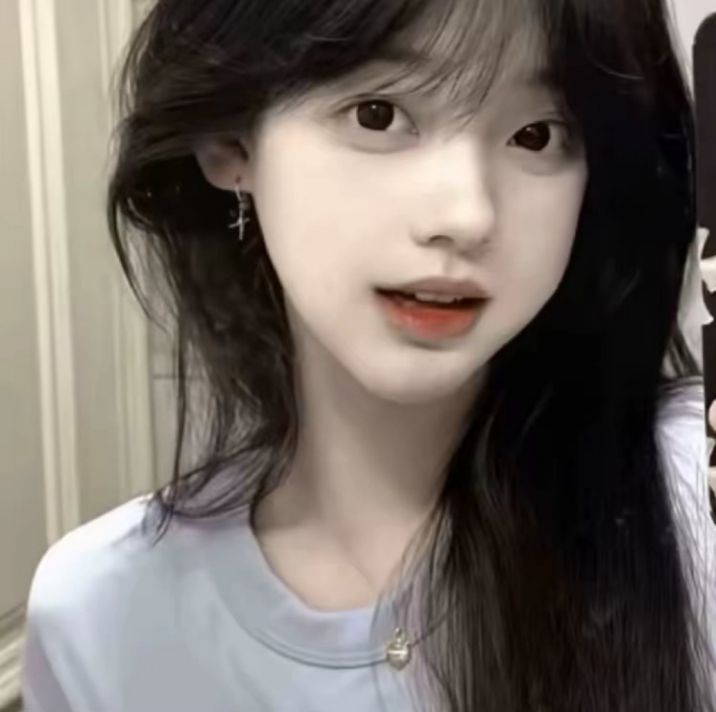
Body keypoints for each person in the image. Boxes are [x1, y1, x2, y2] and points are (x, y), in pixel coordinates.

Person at [19, 0, 716, 710]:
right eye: (378, 115)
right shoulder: (101, 618)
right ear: (231, 144)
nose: (466, 215)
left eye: (537, 135)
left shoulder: (696, 503)